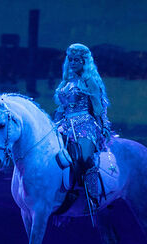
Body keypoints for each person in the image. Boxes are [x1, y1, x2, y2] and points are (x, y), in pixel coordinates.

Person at [53, 43, 112, 204]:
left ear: (84, 61)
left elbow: (99, 107)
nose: (72, 63)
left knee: (84, 157)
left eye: (76, 60)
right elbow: (61, 108)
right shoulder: (66, 83)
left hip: (85, 124)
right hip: (64, 124)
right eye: (70, 60)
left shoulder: (89, 81)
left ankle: (93, 196)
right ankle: (61, 192)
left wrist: (105, 126)